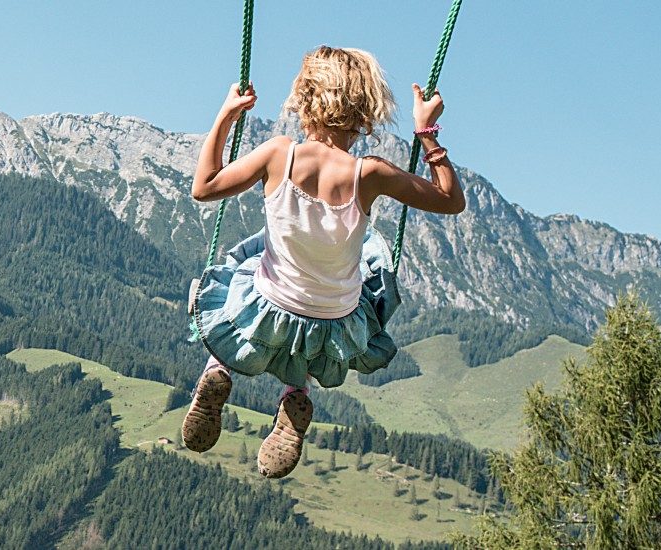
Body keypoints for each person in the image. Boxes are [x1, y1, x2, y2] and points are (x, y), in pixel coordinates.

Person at [181, 46, 463, 478]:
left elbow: (204, 187)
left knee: (244, 268)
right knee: (355, 282)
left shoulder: (280, 153)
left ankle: (219, 368)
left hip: (268, 304)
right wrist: (427, 131)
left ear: (303, 98)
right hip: (334, 322)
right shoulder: (369, 173)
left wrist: (225, 116)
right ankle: (296, 396)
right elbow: (450, 200)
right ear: (366, 107)